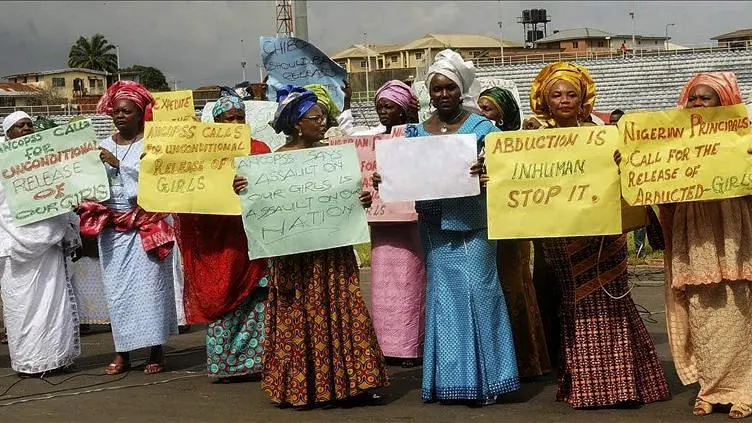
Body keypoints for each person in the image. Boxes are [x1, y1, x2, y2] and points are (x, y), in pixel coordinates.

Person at [376, 49, 520, 405]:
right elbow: (404, 174)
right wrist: (387, 176)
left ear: (461, 90)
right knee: (444, 297)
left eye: (450, 89)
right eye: (437, 89)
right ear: (430, 92)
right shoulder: (415, 132)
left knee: (481, 294)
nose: (443, 95)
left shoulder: (483, 129)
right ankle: (452, 381)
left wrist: (488, 175)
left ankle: (490, 380)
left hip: (475, 222)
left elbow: (507, 172)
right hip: (435, 225)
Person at [523, 62, 670, 409]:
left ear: (583, 98)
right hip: (562, 235)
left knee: (613, 301)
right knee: (576, 303)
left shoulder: (604, 134)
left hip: (606, 234)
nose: (563, 100)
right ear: (544, 98)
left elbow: (631, 176)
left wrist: (624, 161)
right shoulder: (531, 139)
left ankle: (624, 385)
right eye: (556, 94)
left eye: (571, 94)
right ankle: (586, 384)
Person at [234, 85, 388, 408]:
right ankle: (308, 387)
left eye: (322, 117)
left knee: (342, 311)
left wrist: (361, 198)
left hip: (332, 253)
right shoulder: (273, 163)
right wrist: (243, 188)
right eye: (315, 117)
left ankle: (352, 384)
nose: (322, 122)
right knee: (300, 313)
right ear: (296, 124)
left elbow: (351, 199)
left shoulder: (334, 157)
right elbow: (262, 205)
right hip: (294, 258)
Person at [661, 72, 752, 419]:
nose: (698, 104)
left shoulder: (743, 136)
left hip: (732, 228)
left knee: (738, 306)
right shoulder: (672, 140)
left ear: (724, 102)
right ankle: (711, 388)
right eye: (693, 98)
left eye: (706, 98)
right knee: (701, 309)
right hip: (694, 226)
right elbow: (654, 181)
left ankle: (745, 388)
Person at [77, 81, 177, 375]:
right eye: (116, 111)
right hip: (114, 230)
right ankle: (123, 353)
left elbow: (160, 181)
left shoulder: (153, 144)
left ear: (139, 113)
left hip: (146, 225)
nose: (120, 116)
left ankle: (156, 350)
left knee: (151, 291)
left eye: (127, 111)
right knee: (118, 292)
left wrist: (121, 165)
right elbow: (89, 186)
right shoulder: (102, 146)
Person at [174, 92, 271, 382]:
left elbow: (272, 188)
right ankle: (224, 366)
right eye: (229, 118)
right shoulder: (201, 155)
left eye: (240, 118)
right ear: (216, 123)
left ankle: (258, 362)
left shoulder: (259, 148)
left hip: (251, 240)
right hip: (217, 242)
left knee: (257, 302)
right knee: (222, 301)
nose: (235, 123)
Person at [477, 87, 551, 379]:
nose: (483, 114)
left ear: (504, 112)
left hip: (513, 226)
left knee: (513, 287)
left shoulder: (519, 141)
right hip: (484, 223)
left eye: (490, 109)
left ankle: (525, 359)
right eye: (480, 108)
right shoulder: (474, 140)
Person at [0, 111, 81, 376]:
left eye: (29, 125)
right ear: (7, 132)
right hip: (13, 242)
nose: (25, 129)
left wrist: (69, 226)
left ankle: (56, 358)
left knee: (52, 301)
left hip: (48, 241)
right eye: (18, 126)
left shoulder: (46, 160)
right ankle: (29, 361)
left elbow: (60, 194)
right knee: (21, 305)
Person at [364, 80, 427, 368]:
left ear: (403, 109)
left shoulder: (416, 138)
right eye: (379, 108)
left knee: (411, 284)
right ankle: (386, 345)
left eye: (389, 107)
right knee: (382, 287)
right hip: (382, 227)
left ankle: (411, 346)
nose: (383, 113)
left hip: (409, 226)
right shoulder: (370, 143)